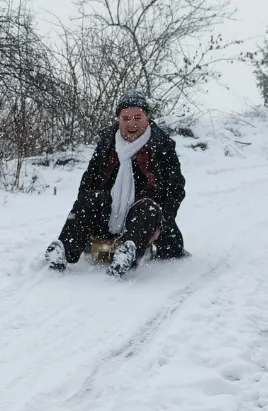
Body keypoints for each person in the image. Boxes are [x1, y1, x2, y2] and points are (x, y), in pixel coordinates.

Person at [45, 90, 188, 277]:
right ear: (118, 119)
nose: (132, 123)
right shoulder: (107, 143)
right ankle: (64, 250)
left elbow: (175, 189)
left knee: (148, 207)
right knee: (91, 197)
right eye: (125, 118)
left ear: (148, 117)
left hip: (146, 220)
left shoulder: (162, 145)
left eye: (138, 117)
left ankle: (127, 254)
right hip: (109, 213)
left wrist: (162, 224)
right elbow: (88, 182)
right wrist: (85, 216)